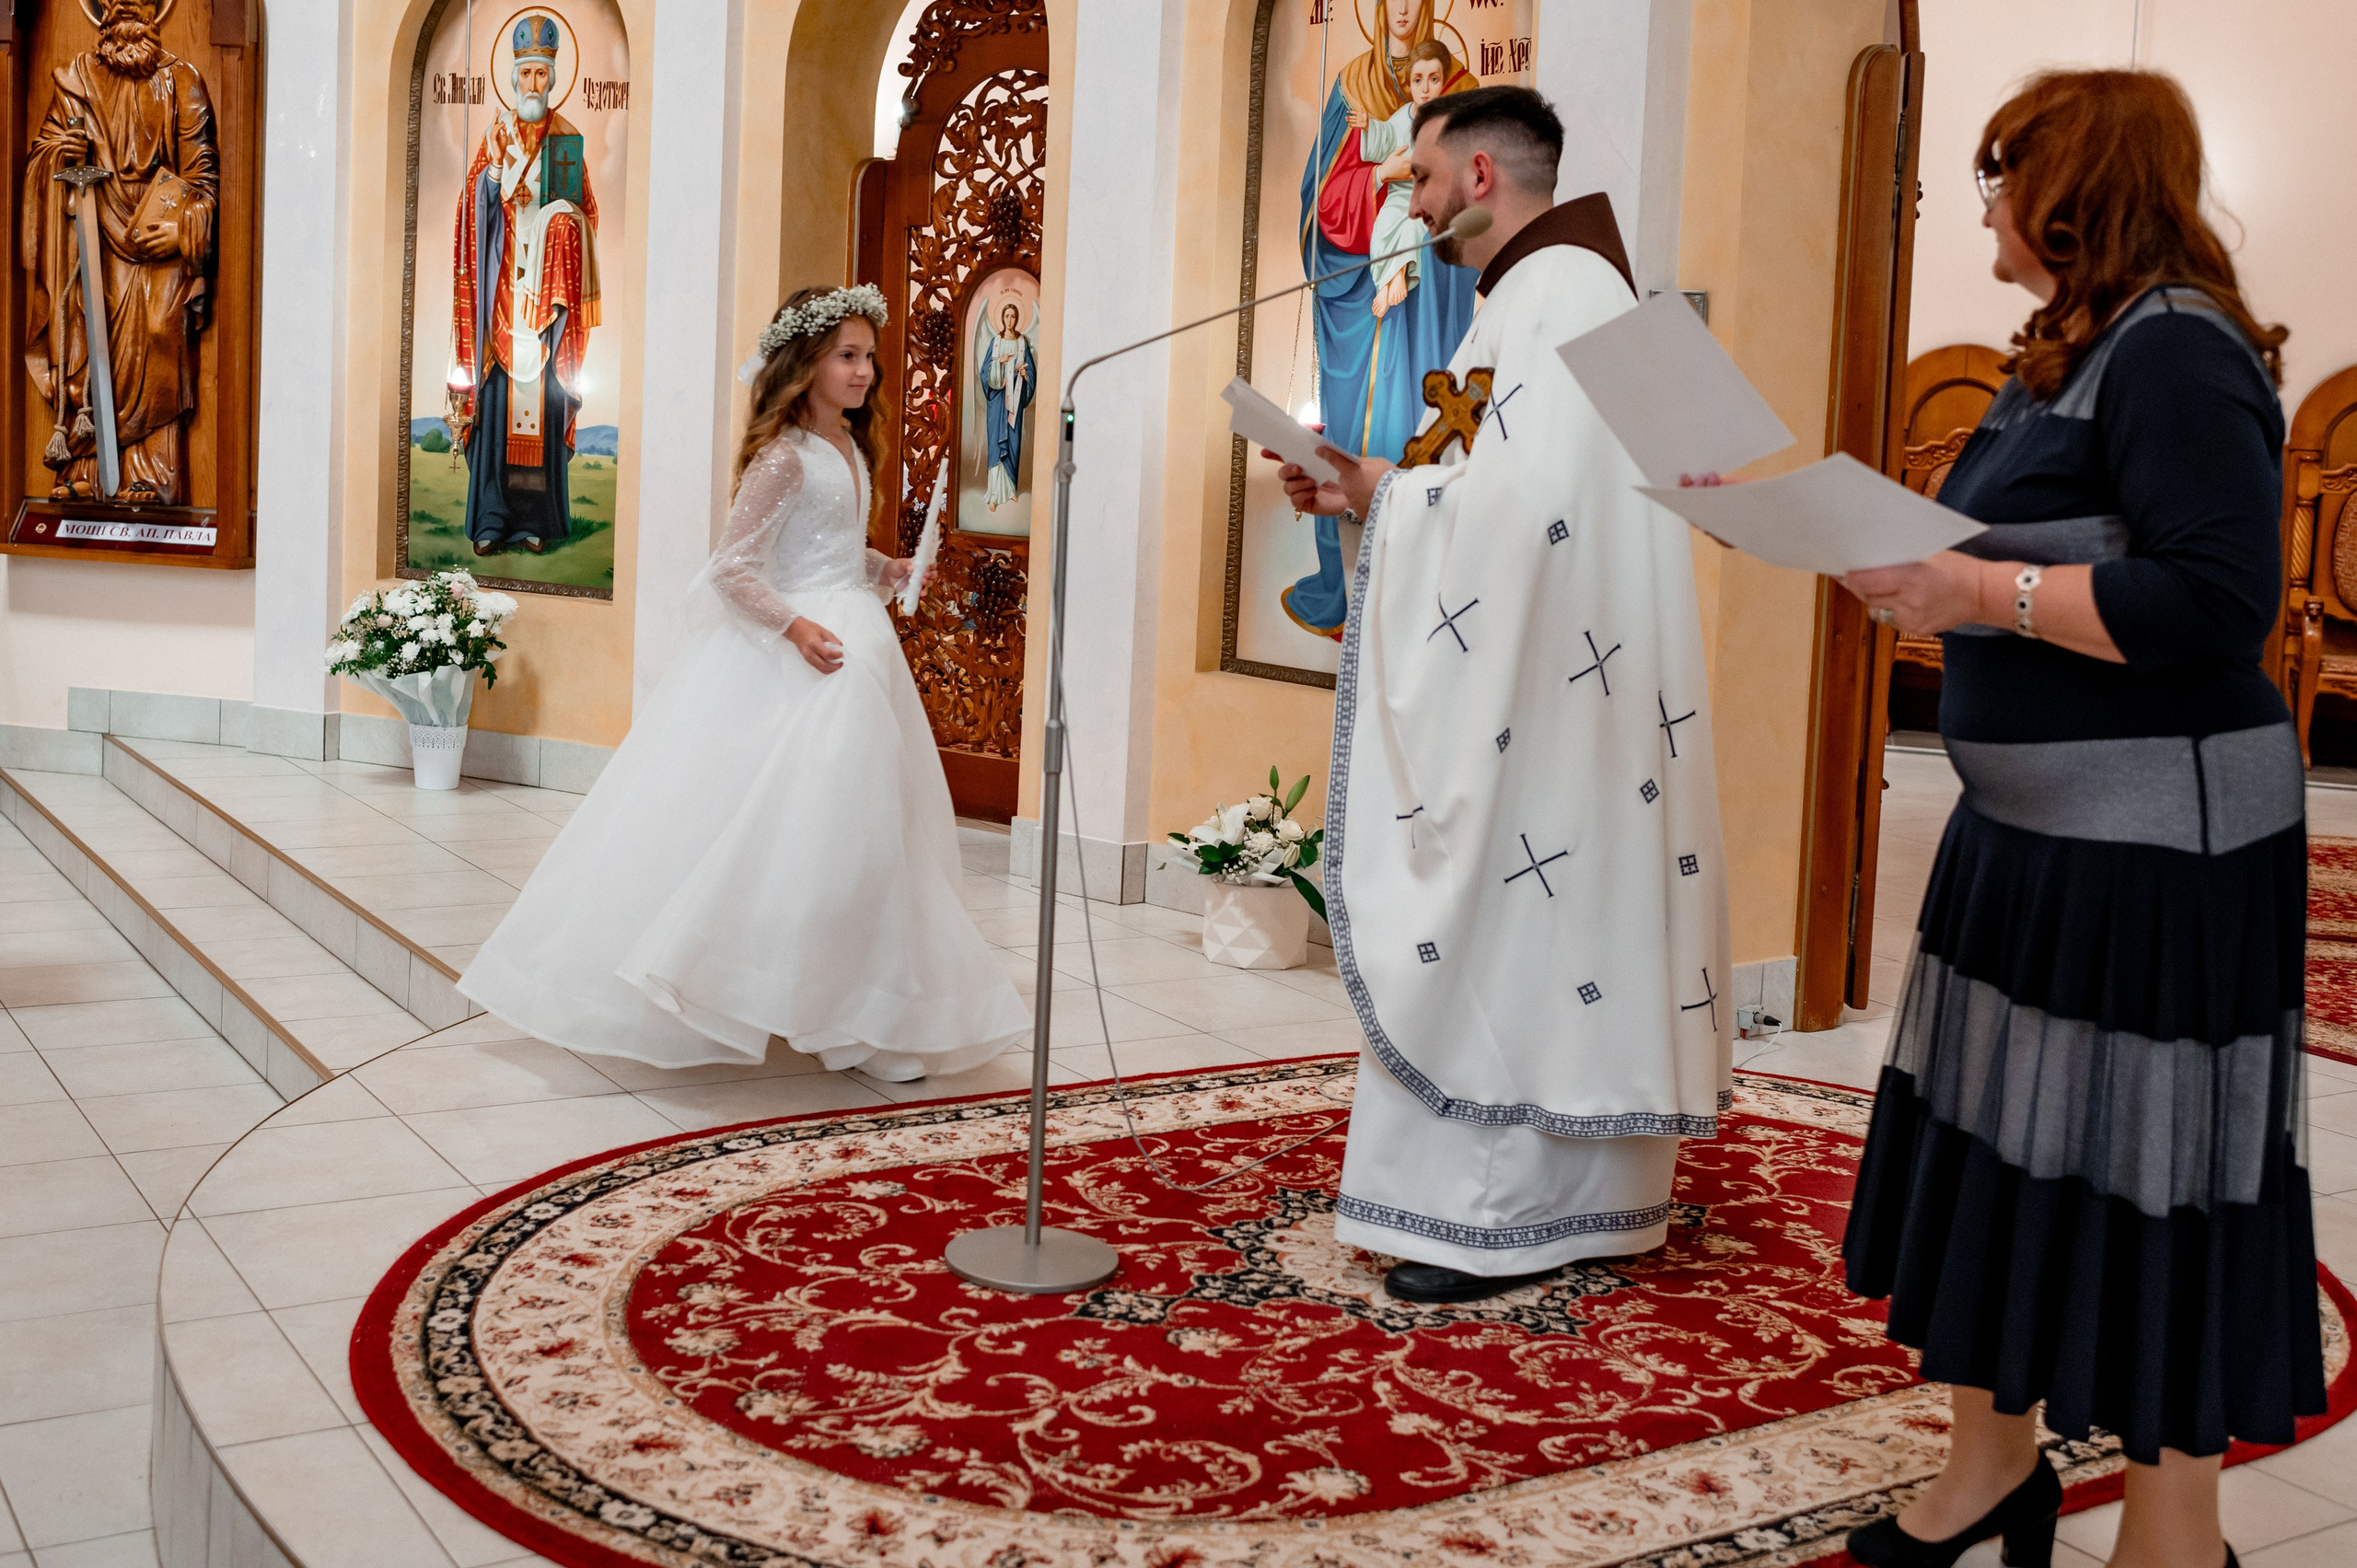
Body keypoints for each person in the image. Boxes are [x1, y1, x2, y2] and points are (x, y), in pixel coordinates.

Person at [1835, 72, 2319, 1568]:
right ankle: (1992, 1468)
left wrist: (1971, 588)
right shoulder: (2066, 351)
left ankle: (2177, 1536)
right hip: (2030, 839)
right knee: (2005, 1149)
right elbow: (2034, 555)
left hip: (2157, 850)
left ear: (2074, 186)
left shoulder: (2178, 348)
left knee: (2148, 1175)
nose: (1983, 203)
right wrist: (1914, 570)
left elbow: (2217, 601)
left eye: (2002, 172)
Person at [1269, 87, 1731, 1306]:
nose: (1412, 209)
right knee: (1563, 929)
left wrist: (1387, 492)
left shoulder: (1560, 294)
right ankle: (1570, 1204)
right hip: (1568, 687)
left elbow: (1522, 515)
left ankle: (1499, 1216)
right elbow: (1488, 482)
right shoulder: (1542, 294)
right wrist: (1368, 485)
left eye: (1422, 181)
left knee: (1522, 928)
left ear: (1480, 176)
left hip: (1553, 701)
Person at [459, 285, 1030, 1080]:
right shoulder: (783, 456)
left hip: (856, 649)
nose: (864, 371)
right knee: (817, 835)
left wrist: (888, 567)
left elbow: (830, 548)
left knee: (864, 835)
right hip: (809, 656)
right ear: (806, 362)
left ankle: (856, 1006)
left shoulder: (848, 446)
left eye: (868, 356)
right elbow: (733, 568)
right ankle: (819, 1011)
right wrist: (794, 628)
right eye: (847, 356)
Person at [1283, 0, 1480, 641]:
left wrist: (1415, 185)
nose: (1401, 8)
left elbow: (1476, 200)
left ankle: (1418, 602)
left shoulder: (1462, 90)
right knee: (1350, 442)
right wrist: (1383, 176)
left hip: (1432, 298)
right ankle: (1345, 591)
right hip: (1360, 287)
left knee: (1421, 426)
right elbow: (1321, 197)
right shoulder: (1354, 86)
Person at [21, 0, 219, 505]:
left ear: (154, 10)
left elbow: (204, 180)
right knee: (87, 336)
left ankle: (151, 475)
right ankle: (84, 468)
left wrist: (181, 232)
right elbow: (43, 157)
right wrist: (60, 155)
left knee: (158, 334)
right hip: (94, 232)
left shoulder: (183, 81)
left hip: (159, 241)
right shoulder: (75, 80)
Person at [449, 12, 601, 557]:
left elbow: (585, 217)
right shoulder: (496, 135)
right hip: (501, 296)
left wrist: (562, 225)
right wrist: (492, 177)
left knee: (544, 406)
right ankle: (492, 519)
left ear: (553, 77)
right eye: (526, 73)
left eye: (542, 73)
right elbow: (470, 215)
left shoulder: (564, 142)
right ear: (514, 78)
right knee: (496, 410)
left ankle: (536, 521)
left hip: (546, 306)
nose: (534, 83)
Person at [1350, 40, 1456, 320]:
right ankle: (1384, 284)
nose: (1425, 88)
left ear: (1443, 81)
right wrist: (1369, 126)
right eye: (1418, 80)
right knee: (1383, 228)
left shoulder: (1446, 121)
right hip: (1399, 194)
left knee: (1412, 228)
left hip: (1428, 198)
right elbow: (1385, 136)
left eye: (1433, 79)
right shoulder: (1401, 117)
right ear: (1409, 83)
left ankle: (1398, 275)